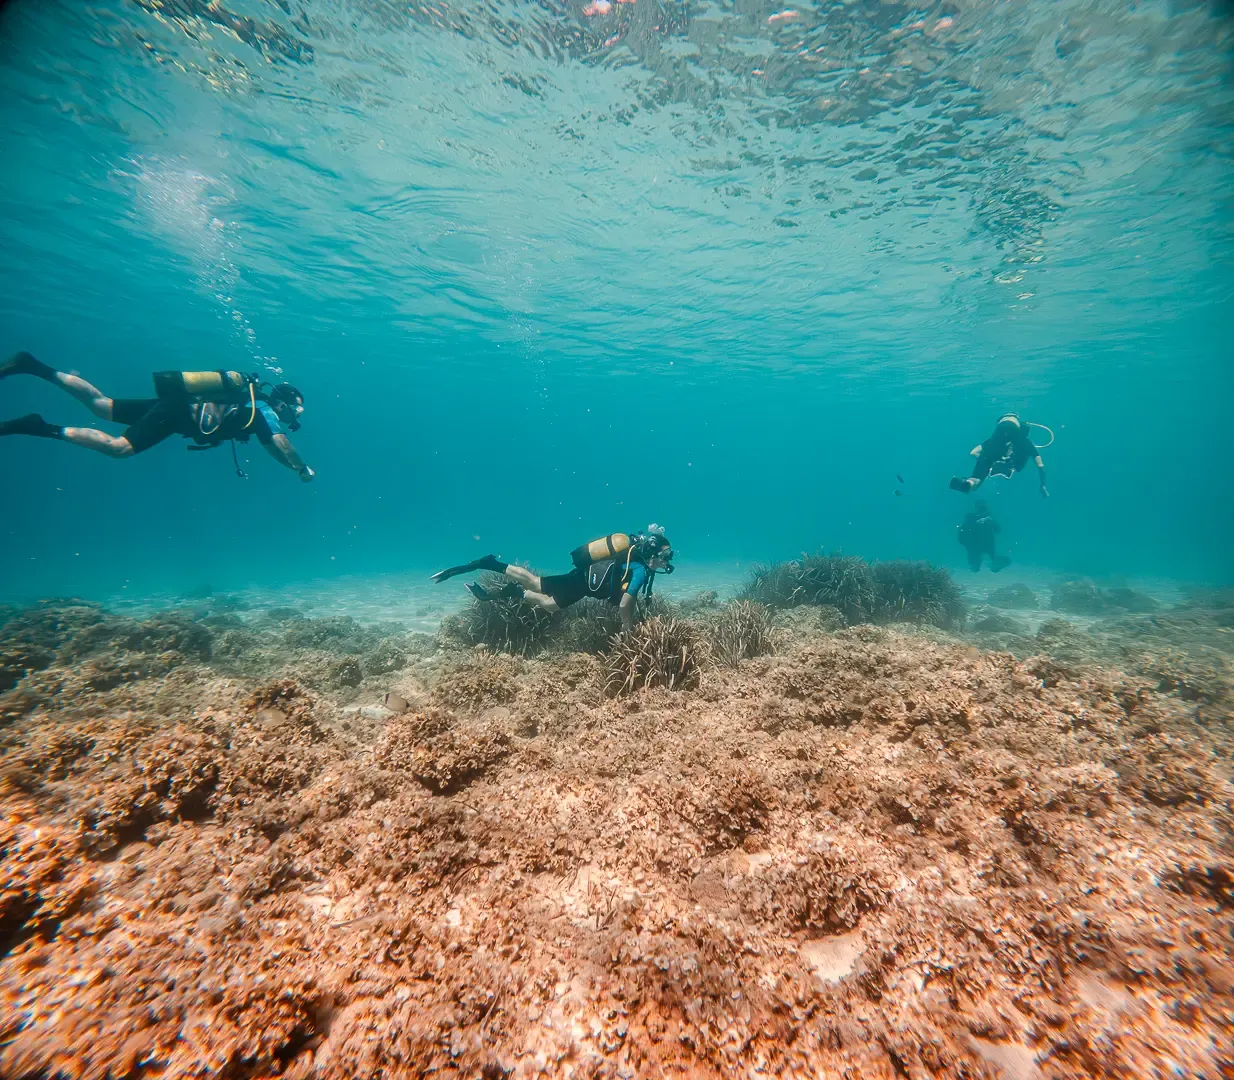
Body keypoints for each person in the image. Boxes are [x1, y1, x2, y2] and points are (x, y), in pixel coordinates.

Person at [0, 352, 314, 481]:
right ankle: (38, 426)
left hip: (178, 405)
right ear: (283, 404)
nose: (294, 416)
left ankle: (31, 365)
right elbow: (281, 444)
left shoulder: (248, 401)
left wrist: (292, 467)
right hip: (178, 415)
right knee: (118, 448)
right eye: (296, 409)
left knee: (102, 405)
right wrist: (302, 468)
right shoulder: (264, 410)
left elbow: (273, 449)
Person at [432, 526, 675, 633]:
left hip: (583, 583)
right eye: (665, 556)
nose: (667, 562)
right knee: (536, 584)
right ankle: (489, 563)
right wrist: (627, 629)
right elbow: (625, 603)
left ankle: (514, 591)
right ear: (653, 552)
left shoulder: (636, 562)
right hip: (581, 584)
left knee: (548, 604)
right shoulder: (641, 570)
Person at [949, 412, 1048, 497]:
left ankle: (968, 483)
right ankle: (970, 484)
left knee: (978, 478)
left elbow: (973, 452)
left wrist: (985, 461)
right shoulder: (1026, 442)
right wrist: (1043, 485)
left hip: (996, 440)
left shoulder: (994, 441)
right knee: (978, 484)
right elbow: (1040, 465)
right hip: (1006, 444)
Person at [957, 499, 1011, 573]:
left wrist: (991, 521)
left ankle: (990, 564)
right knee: (975, 568)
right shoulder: (970, 517)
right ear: (975, 507)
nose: (981, 510)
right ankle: (980, 564)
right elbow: (962, 534)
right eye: (980, 507)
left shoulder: (988, 517)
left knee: (992, 563)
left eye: (983, 507)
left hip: (987, 545)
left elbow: (998, 530)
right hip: (975, 546)